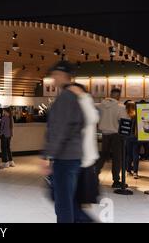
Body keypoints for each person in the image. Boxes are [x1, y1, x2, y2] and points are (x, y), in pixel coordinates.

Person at [42, 61, 84, 223]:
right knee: (68, 203)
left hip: (65, 159)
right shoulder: (75, 96)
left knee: (63, 205)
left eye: (55, 75)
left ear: (62, 75)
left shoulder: (66, 97)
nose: (53, 78)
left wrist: (47, 155)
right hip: (73, 157)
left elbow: (59, 130)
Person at [68, 83, 100, 223]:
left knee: (75, 204)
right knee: (73, 203)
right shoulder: (78, 106)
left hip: (83, 162)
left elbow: (92, 119)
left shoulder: (86, 105)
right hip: (77, 161)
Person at [95, 88, 128, 188]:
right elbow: (124, 120)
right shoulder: (120, 107)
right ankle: (116, 181)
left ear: (110, 94)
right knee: (117, 158)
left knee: (104, 155)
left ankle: (94, 175)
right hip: (116, 134)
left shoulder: (101, 105)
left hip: (105, 134)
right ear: (118, 96)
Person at [125, 102, 140, 179]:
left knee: (129, 154)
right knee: (135, 154)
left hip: (127, 137)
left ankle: (128, 171)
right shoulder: (137, 115)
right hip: (136, 137)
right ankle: (135, 172)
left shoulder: (126, 115)